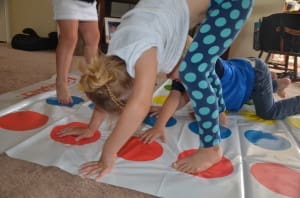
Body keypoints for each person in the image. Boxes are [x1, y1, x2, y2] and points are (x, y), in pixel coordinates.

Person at [57, 0, 254, 179]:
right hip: (189, 8)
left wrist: (108, 153)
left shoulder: (144, 52)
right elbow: (106, 89)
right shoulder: (115, 57)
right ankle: (218, 113)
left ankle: (211, 148)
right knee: (202, 65)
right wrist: (92, 128)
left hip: (231, 3)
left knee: (194, 71)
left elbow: (139, 106)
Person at [139, 57, 299, 144]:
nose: (170, 77)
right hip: (243, 78)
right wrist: (161, 121)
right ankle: (278, 84)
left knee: (267, 112)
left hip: (254, 74)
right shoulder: (184, 70)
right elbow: (177, 96)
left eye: (173, 72)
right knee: (250, 95)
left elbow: (218, 113)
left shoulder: (207, 69)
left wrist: (214, 114)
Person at [52, 0, 100, 104]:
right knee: (69, 38)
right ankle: (61, 83)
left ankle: (93, 79)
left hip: (88, 2)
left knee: (93, 38)